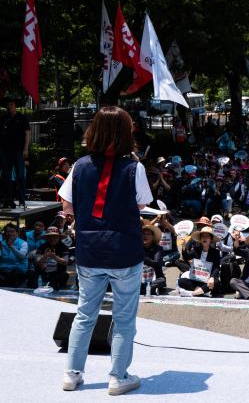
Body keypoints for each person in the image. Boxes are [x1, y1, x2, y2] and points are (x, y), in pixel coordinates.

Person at [58, 106, 153, 395]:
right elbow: (140, 205)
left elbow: (67, 207)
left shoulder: (80, 165)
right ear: (127, 133)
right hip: (124, 250)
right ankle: (118, 376)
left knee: (85, 313)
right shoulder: (135, 168)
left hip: (89, 250)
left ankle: (72, 374)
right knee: (124, 317)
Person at [0, 97, 30, 209]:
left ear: (15, 106)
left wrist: (26, 149)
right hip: (6, 152)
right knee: (6, 177)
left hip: (19, 151)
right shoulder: (3, 119)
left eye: (12, 104)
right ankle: (8, 200)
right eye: (8, 105)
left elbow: (27, 133)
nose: (10, 107)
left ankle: (22, 200)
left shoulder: (22, 118)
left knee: (20, 176)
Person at [178, 226, 221, 297]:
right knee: (181, 281)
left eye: (207, 236)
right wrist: (184, 247)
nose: (204, 238)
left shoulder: (215, 252)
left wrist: (212, 277)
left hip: (208, 280)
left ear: (211, 239)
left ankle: (192, 293)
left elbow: (216, 268)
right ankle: (202, 291)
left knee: (216, 283)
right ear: (200, 239)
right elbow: (186, 257)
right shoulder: (196, 249)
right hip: (197, 279)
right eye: (203, 236)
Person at [34, 226, 70, 291]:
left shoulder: (64, 247)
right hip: (43, 273)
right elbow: (37, 262)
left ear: (59, 237)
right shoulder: (42, 247)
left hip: (57, 273)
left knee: (64, 276)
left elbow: (65, 262)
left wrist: (55, 257)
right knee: (32, 276)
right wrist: (44, 256)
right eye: (50, 237)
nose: (52, 239)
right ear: (47, 238)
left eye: (55, 237)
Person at [139, 224, 166, 296]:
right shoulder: (137, 247)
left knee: (161, 281)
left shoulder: (158, 248)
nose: (145, 236)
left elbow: (156, 263)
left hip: (155, 278)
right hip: (138, 277)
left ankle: (144, 289)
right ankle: (148, 289)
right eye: (143, 234)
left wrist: (142, 257)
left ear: (153, 237)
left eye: (148, 234)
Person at [0, 223, 29, 287]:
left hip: (18, 270)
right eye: (7, 231)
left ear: (17, 233)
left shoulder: (23, 243)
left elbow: (22, 256)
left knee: (13, 274)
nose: (10, 233)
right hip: (4, 269)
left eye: (12, 231)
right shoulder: (2, 243)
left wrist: (11, 246)